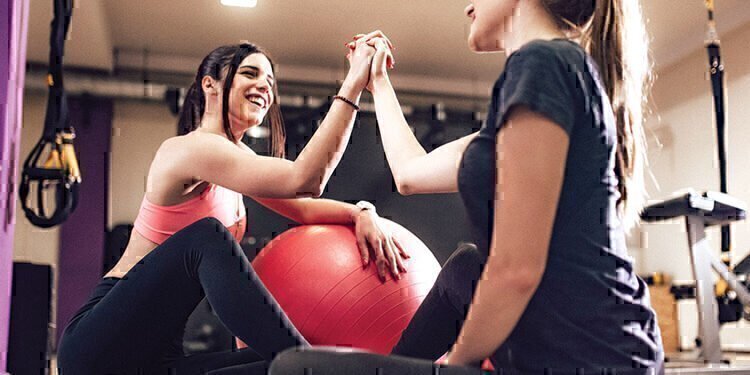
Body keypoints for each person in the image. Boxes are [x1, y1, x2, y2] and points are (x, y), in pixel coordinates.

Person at [269, 0, 663, 374]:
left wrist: (455, 364)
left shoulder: (544, 63)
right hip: (575, 346)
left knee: (294, 368)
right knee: (465, 267)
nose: (467, 7)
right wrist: (378, 83)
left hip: (591, 358)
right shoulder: (540, 85)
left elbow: (516, 270)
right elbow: (409, 173)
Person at [56, 38, 408, 375]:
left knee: (270, 366)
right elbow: (305, 179)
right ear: (210, 85)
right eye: (250, 73)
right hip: (101, 344)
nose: (265, 87)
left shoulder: (237, 164)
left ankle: (307, 364)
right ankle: (310, 365)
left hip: (157, 360)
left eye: (270, 81)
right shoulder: (188, 150)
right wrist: (353, 83)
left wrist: (361, 211)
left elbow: (303, 207)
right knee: (207, 237)